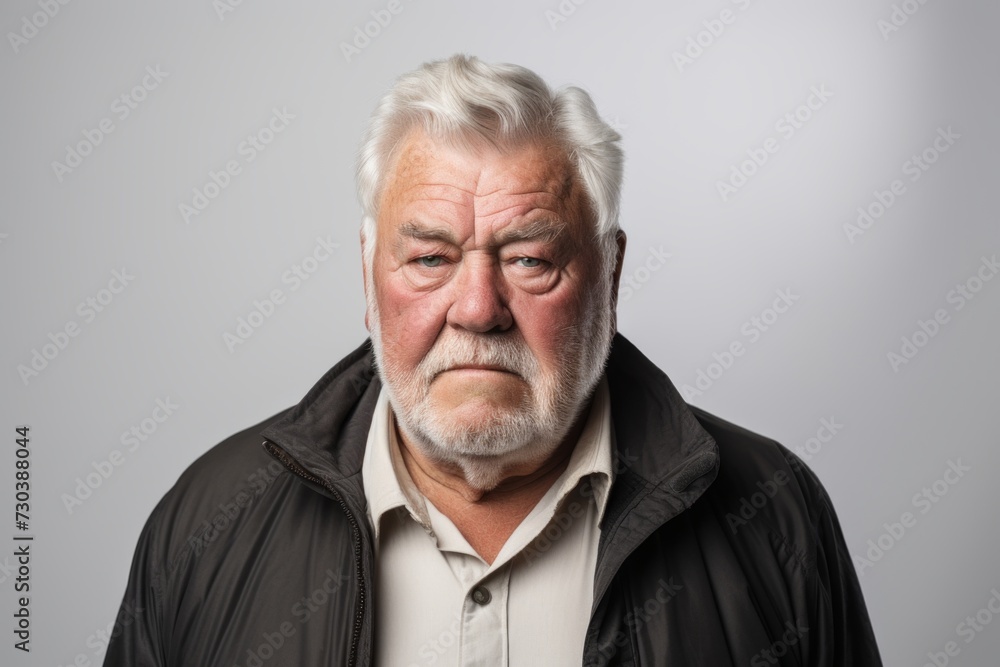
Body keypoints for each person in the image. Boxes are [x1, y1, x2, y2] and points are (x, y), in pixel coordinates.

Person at [104, 54, 882, 666]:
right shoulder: (207, 525)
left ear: (610, 275)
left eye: (531, 258)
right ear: (369, 277)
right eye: (431, 257)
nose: (478, 307)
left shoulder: (774, 517)